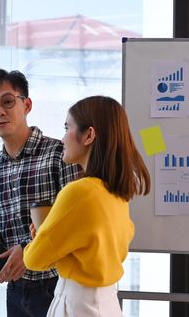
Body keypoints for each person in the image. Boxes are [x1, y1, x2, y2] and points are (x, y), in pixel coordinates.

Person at [23, 96, 150, 316]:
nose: (62, 138)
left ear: (89, 135)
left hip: (76, 304)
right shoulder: (117, 194)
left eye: (67, 128)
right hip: (107, 302)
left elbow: (34, 260)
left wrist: (42, 235)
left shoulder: (78, 192)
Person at [0, 69, 81, 317]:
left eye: (7, 101)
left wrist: (29, 249)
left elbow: (75, 222)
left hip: (59, 283)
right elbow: (0, 226)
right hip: (15, 287)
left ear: (27, 105)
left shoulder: (59, 154)